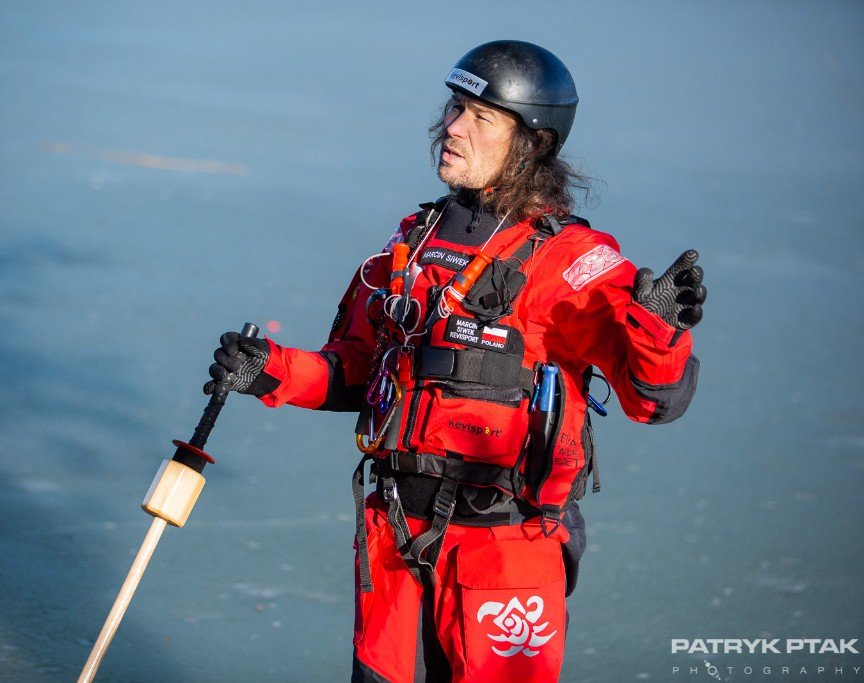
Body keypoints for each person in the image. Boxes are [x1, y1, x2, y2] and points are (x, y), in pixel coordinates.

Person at [205, 40, 705, 683]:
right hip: (393, 537)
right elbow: (360, 371)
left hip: (504, 551)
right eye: (454, 107)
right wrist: (271, 370)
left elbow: (654, 402)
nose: (453, 127)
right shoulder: (412, 241)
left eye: (482, 118)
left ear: (533, 143)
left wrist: (657, 330)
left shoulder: (573, 261)